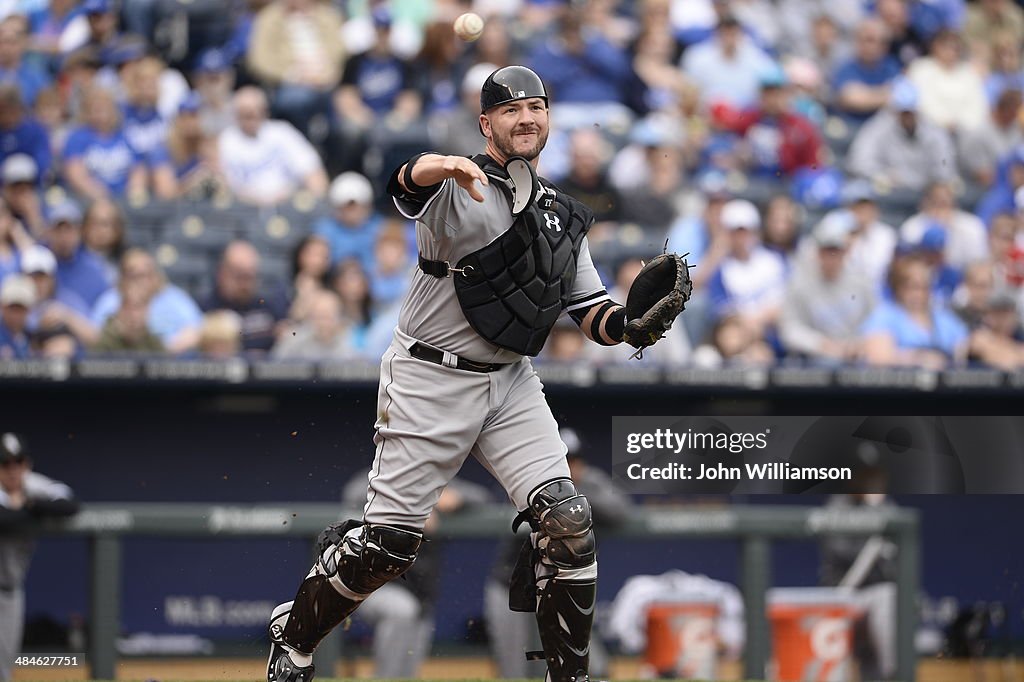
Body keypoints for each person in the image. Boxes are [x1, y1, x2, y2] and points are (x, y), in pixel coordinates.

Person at [266, 65, 660, 682]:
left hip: (510, 381)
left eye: (537, 108)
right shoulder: (457, 187)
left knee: (569, 524)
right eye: (511, 110)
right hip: (431, 375)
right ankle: (294, 638)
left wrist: (633, 326)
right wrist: (440, 166)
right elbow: (398, 186)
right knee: (388, 548)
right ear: (487, 123)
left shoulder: (563, 214)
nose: (527, 118)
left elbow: (591, 313)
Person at [486, 427, 633, 679]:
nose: (566, 466)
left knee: (589, 667)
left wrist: (574, 499)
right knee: (516, 671)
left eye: (571, 460)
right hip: (515, 588)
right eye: (560, 460)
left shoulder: (589, 484)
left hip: (561, 587)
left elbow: (620, 510)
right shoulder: (531, 478)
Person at [0, 432, 79, 682]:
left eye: (18, 463)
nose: (12, 470)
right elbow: (5, 519)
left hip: (10, 590)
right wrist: (30, 510)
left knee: (4, 669)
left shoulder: (32, 485)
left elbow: (70, 504)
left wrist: (31, 506)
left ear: (27, 465)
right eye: (4, 464)